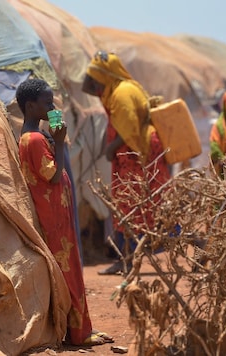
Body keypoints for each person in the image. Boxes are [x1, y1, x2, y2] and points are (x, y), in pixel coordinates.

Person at [15, 78, 113, 346]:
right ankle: (80, 333)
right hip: (54, 216)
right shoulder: (34, 140)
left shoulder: (32, 135)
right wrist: (58, 143)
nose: (53, 106)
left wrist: (53, 136)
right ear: (31, 106)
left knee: (68, 271)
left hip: (55, 213)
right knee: (69, 273)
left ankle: (79, 328)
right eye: (47, 103)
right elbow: (54, 176)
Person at [82, 50, 171, 275]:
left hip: (135, 156)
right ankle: (127, 260)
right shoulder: (118, 89)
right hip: (131, 156)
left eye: (95, 76)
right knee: (131, 206)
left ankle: (190, 240)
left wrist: (110, 149)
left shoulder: (122, 93)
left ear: (106, 75)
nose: (91, 82)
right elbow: (86, 88)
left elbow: (129, 128)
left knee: (134, 206)